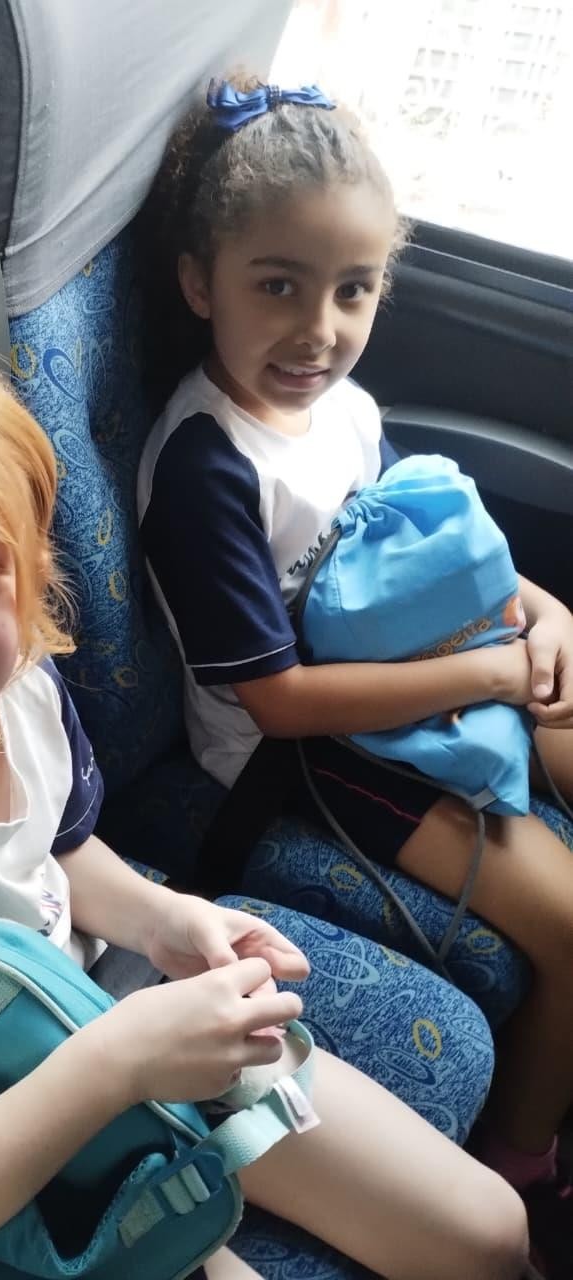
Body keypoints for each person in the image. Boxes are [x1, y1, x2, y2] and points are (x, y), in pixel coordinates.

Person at [0, 288, 526, 1280]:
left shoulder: (20, 686)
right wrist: (113, 1068)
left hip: (85, 1009)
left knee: (490, 1232)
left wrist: (165, 921)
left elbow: (60, 853)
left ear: (31, 574)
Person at [137, 74, 573, 1277]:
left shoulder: (344, 408)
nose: (318, 330)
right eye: (277, 286)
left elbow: (419, 551)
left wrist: (542, 614)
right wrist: (492, 670)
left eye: (353, 290)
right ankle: (521, 1161)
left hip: (410, 679)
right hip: (306, 756)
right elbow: (277, 699)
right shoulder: (208, 464)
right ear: (200, 283)